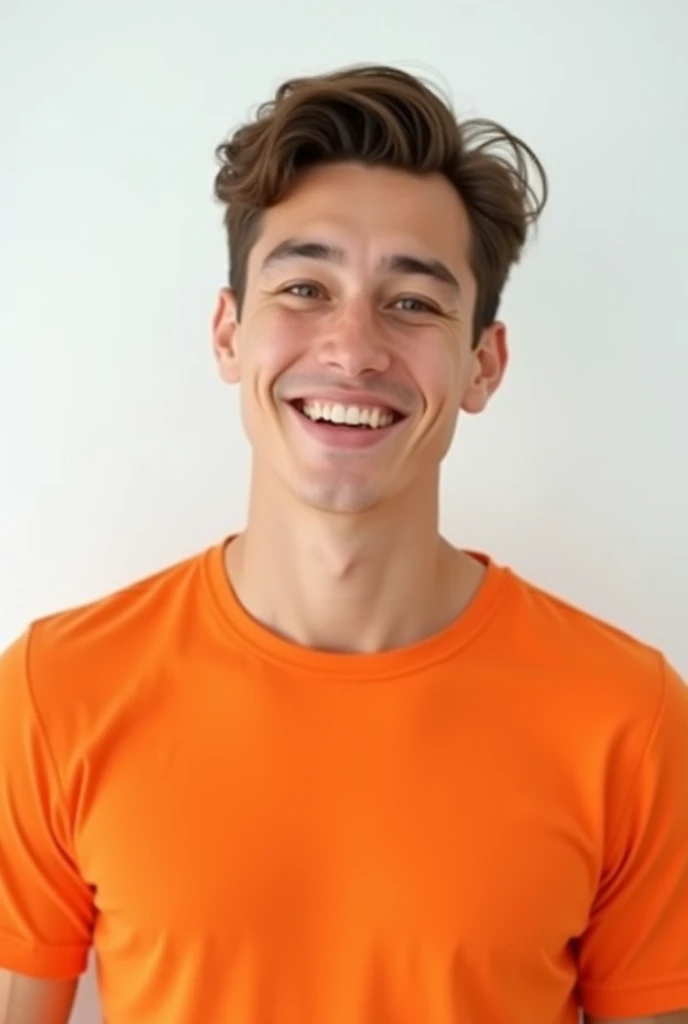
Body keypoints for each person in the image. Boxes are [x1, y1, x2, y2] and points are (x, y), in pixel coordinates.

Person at [0, 63, 687, 1024]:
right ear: (229, 333)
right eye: (305, 288)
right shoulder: (52, 694)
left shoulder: (632, 719)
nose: (354, 347)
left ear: (482, 364)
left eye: (412, 302)